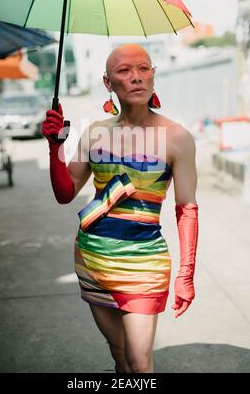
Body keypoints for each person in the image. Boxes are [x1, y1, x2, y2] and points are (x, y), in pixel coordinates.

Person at [41, 44, 199, 374]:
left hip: (144, 262)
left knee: (140, 363)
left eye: (144, 69)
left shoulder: (176, 138)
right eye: (124, 71)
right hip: (93, 259)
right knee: (119, 354)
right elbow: (65, 192)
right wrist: (55, 146)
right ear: (108, 83)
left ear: (154, 76)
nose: (137, 78)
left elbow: (186, 208)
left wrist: (186, 274)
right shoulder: (96, 133)